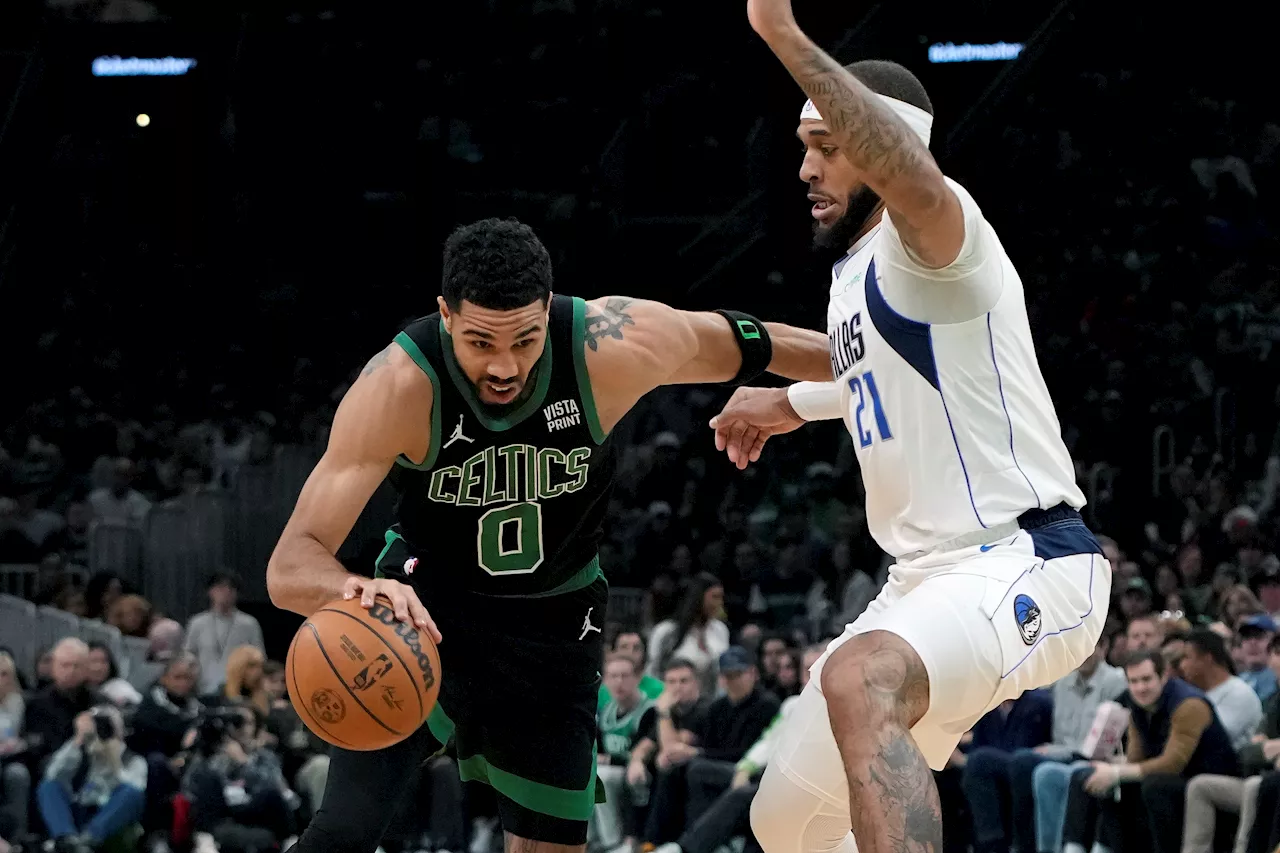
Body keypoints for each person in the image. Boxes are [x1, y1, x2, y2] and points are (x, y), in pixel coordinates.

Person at [266, 216, 831, 853]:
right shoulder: (399, 385)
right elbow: (289, 567)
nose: (504, 366)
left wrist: (888, 361)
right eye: (480, 342)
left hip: (556, 628)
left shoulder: (609, 343)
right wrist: (355, 588)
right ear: (445, 316)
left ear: (547, 313)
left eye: (525, 340)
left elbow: (754, 339)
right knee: (342, 831)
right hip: (422, 614)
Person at [707, 2, 1112, 851]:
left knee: (860, 676)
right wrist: (793, 400)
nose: (806, 169)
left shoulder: (938, 233)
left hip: (1028, 558)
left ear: (883, 147)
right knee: (783, 819)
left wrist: (783, 36)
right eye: (803, 148)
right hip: (927, 581)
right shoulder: (859, 270)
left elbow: (914, 179)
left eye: (828, 146)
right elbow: (881, 364)